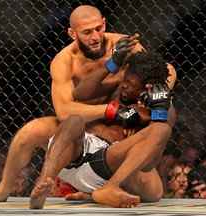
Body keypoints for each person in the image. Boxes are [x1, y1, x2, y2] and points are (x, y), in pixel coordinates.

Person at [0, 5, 176, 203]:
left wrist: (155, 94)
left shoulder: (126, 46)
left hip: (119, 136)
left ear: (104, 23)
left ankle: (101, 190)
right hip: (80, 137)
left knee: (153, 193)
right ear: (72, 33)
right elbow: (64, 110)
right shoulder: (64, 61)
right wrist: (112, 110)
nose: (95, 37)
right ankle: (3, 189)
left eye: (98, 28)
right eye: (87, 32)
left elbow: (163, 70)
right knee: (30, 132)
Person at [29, 51, 177, 208]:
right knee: (74, 120)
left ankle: (106, 190)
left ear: (147, 87)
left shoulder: (160, 106)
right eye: (125, 79)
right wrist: (112, 63)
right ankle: (43, 183)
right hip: (76, 152)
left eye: (132, 85)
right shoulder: (116, 86)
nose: (125, 85)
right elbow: (80, 92)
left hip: (107, 165)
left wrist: (159, 108)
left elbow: (149, 161)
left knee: (154, 191)